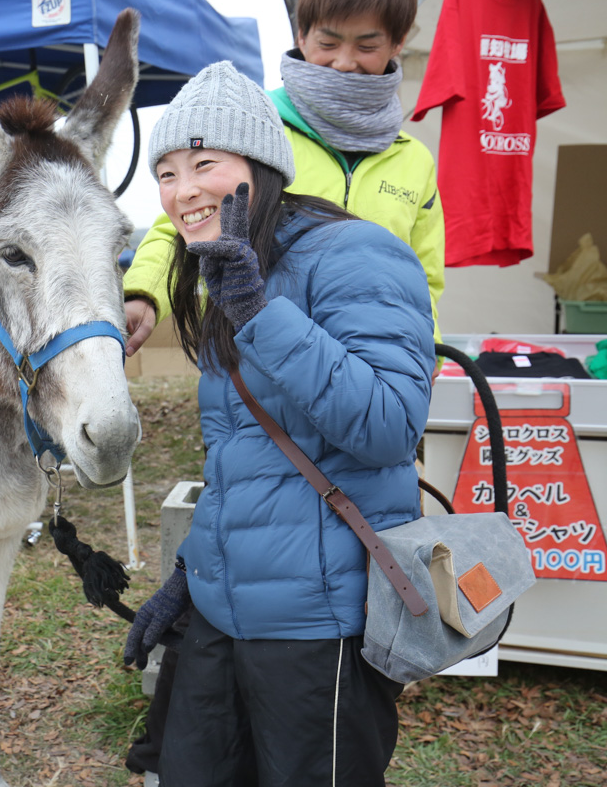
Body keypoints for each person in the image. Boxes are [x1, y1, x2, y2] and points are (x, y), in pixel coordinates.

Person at [122, 60, 434, 785]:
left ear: (260, 167)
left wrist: (261, 316)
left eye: (205, 163)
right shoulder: (227, 268)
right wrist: (186, 575)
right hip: (223, 611)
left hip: (318, 622)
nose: (183, 189)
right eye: (166, 172)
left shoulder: (356, 254)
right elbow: (241, 461)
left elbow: (390, 425)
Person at [122, 0, 444, 362]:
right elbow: (180, 226)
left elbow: (424, 274)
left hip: (375, 367)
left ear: (397, 44)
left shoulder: (414, 159)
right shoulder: (253, 128)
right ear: (302, 35)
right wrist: (143, 294)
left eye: (367, 46)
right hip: (255, 361)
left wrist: (427, 348)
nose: (343, 61)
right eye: (328, 42)